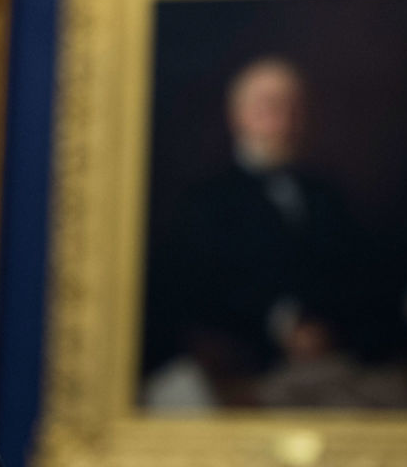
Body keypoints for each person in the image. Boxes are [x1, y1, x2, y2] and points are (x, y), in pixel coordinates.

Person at [142, 57, 387, 407]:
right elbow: (195, 294)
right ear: (237, 115)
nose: (283, 117)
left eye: (293, 106)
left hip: (331, 364)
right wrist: (282, 325)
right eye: (269, 105)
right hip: (246, 365)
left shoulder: (326, 195)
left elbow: (359, 275)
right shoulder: (205, 201)